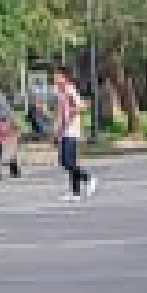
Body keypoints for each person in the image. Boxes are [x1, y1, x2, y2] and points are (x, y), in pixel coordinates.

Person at [53, 65, 95, 202]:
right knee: (64, 162)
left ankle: (88, 178)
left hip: (71, 130)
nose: (55, 78)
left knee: (68, 162)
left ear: (64, 77)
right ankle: (75, 193)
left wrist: (70, 115)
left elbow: (81, 106)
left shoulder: (70, 90)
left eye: (58, 75)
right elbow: (60, 111)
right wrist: (56, 130)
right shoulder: (60, 91)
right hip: (63, 131)